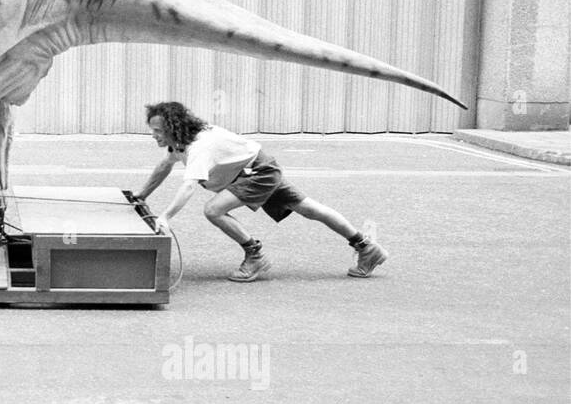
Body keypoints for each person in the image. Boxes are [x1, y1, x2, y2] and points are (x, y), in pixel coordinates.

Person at [133, 101, 387, 282]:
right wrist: (142, 195)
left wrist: (165, 217)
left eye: (158, 131)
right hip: (259, 167)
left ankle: (255, 256)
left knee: (213, 210)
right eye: (152, 130)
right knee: (308, 209)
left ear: (173, 128)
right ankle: (366, 247)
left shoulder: (200, 146)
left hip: (257, 173)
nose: (153, 135)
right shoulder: (181, 142)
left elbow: (189, 186)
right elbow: (164, 167)